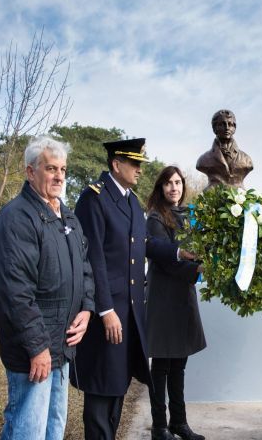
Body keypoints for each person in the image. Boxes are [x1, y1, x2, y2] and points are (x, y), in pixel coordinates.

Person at [72, 138, 191, 439]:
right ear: (116, 164)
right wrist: (106, 309)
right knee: (102, 387)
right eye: (135, 164)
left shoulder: (129, 201)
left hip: (130, 315)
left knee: (117, 385)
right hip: (108, 314)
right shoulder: (94, 198)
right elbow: (94, 258)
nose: (139, 170)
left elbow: (144, 244)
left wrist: (178, 253)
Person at [0, 136, 95, 439]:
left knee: (53, 427)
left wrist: (87, 309)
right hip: (34, 352)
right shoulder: (16, 219)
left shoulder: (67, 216)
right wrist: (37, 348)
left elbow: (84, 268)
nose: (59, 175)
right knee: (28, 429)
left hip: (62, 346)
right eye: (51, 168)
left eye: (62, 169)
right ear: (30, 172)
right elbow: (13, 293)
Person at [145, 166, 206, 440]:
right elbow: (161, 256)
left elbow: (200, 251)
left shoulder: (190, 216)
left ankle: (179, 423)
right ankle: (159, 426)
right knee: (161, 367)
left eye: (178, 183)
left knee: (179, 366)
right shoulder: (156, 217)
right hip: (163, 299)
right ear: (161, 187)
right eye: (168, 183)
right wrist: (195, 268)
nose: (174, 188)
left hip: (183, 298)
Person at [196, 109, 254, 188]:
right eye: (222, 124)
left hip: (238, 198)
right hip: (213, 197)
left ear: (234, 128)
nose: (227, 128)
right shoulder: (203, 160)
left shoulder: (246, 160)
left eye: (230, 124)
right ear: (215, 128)